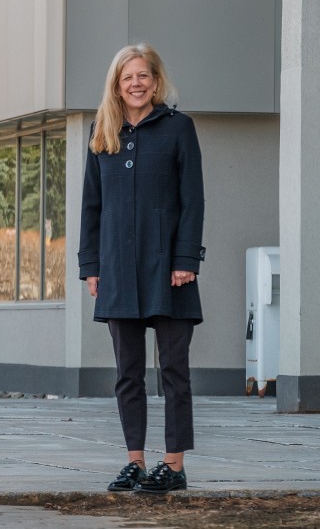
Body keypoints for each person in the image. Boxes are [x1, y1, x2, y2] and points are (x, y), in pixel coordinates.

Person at [79, 43, 206, 495]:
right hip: (116, 269)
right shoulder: (101, 132)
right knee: (127, 373)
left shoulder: (178, 129)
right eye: (127, 76)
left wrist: (186, 260)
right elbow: (91, 207)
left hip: (169, 270)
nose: (136, 83)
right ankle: (135, 460)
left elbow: (193, 200)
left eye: (143, 76)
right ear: (117, 83)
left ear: (156, 81)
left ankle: (173, 466)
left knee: (173, 370)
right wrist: (91, 266)